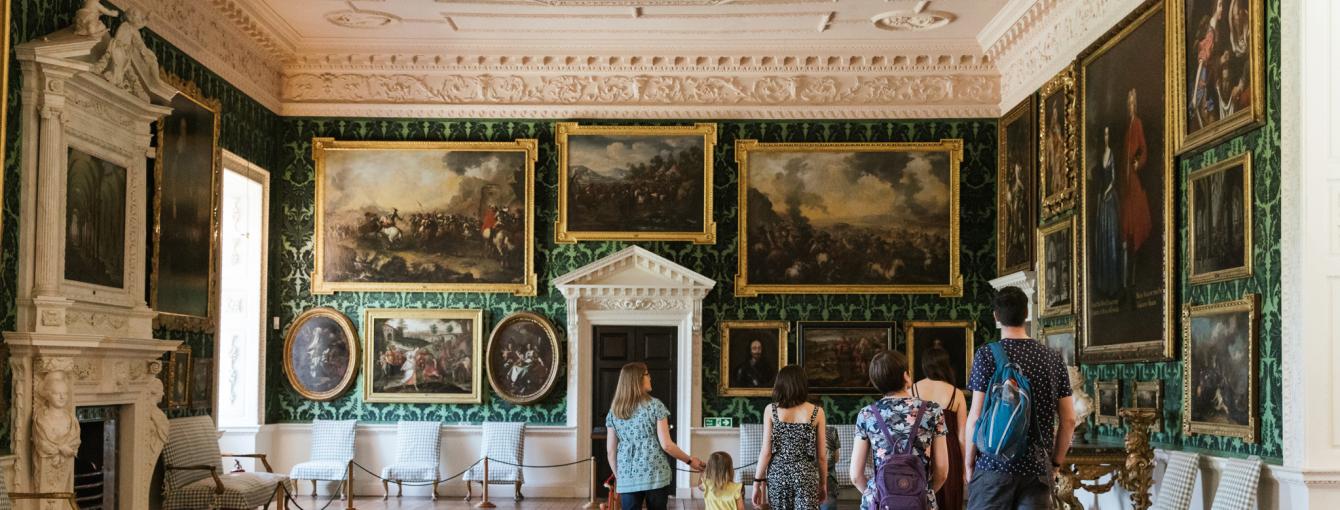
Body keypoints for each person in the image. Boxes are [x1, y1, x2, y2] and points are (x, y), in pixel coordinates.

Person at [963, 286, 1077, 509]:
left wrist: (969, 463)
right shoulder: (1052, 358)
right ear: (1026, 313)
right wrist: (1055, 464)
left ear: (996, 316)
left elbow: (975, 417)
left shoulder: (986, 355)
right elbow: (1069, 420)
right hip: (1037, 470)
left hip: (993, 465)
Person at [851, 350, 949, 510]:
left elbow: (855, 476)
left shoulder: (867, 414)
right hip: (920, 502)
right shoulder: (932, 410)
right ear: (906, 376)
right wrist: (922, 492)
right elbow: (942, 471)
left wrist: (877, 493)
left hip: (881, 502)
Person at [606, 362, 704, 510]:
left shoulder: (614, 412)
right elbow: (667, 445)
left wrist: (620, 477)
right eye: (647, 374)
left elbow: (611, 452)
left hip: (628, 476)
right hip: (655, 474)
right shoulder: (655, 406)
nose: (650, 377)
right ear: (637, 379)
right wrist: (690, 461)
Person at [754, 366, 827, 510]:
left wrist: (757, 482)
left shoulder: (771, 410)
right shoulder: (818, 412)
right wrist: (823, 483)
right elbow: (822, 456)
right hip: (806, 475)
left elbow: (766, 452)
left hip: (778, 475)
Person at [914, 348, 968, 510]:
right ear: (946, 365)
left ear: (924, 365)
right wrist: (965, 467)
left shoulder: (913, 390)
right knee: (949, 498)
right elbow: (962, 436)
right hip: (949, 451)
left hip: (921, 450)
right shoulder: (956, 394)